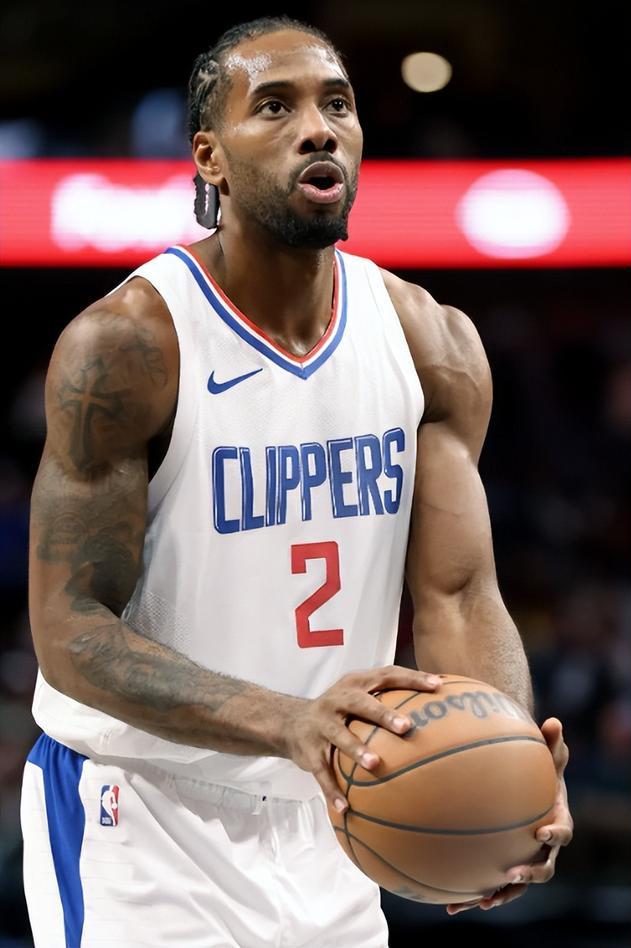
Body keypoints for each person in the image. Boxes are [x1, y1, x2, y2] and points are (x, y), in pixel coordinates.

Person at [21, 15, 573, 948]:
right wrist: (290, 722)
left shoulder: (431, 343)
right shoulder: (128, 346)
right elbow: (71, 628)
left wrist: (506, 760)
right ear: (210, 157)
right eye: (275, 107)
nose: (318, 128)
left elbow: (457, 592)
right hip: (143, 813)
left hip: (337, 809)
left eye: (337, 105)